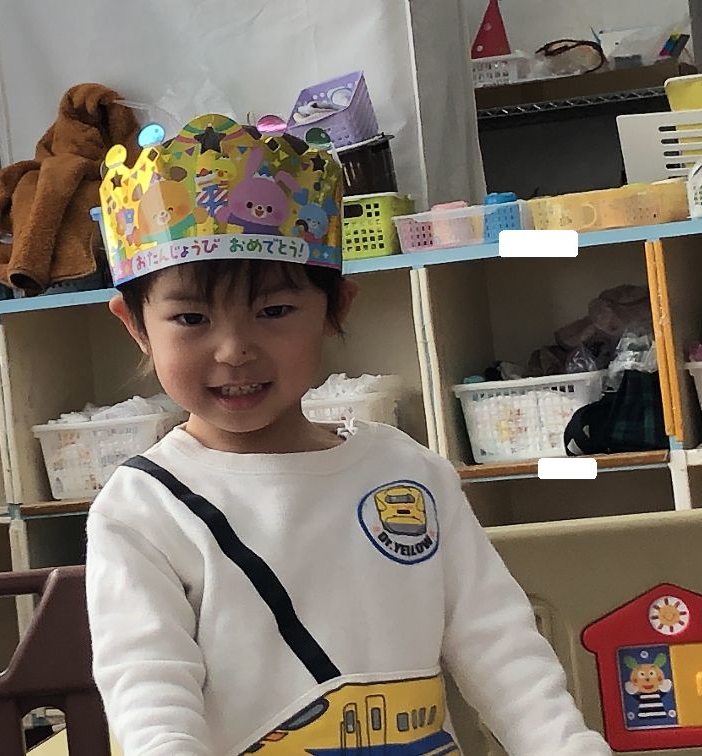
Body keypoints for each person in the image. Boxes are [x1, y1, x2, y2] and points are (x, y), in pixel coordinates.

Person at [85, 114, 612, 756]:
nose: (234, 350)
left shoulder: (408, 470)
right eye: (191, 318)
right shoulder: (141, 508)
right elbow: (150, 697)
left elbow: (500, 645)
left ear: (336, 309)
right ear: (135, 325)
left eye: (274, 311)